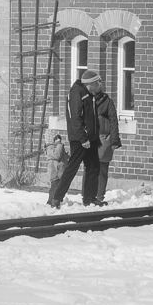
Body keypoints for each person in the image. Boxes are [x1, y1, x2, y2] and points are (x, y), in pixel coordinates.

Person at [47, 69, 103, 208]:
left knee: (93, 167)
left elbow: (92, 118)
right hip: (80, 138)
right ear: (90, 84)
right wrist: (83, 138)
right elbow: (75, 118)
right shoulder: (77, 93)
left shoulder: (89, 94)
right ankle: (57, 198)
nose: (100, 85)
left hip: (91, 138)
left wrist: (95, 137)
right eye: (98, 82)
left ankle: (89, 198)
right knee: (72, 168)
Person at [94, 84, 122, 204]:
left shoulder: (107, 102)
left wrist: (114, 141)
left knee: (102, 169)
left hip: (103, 139)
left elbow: (113, 121)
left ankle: (99, 196)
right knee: (93, 170)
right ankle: (91, 196)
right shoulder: (88, 100)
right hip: (94, 138)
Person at [44, 133, 68, 204]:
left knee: (59, 187)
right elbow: (57, 155)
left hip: (59, 171)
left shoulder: (57, 147)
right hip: (55, 172)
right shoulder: (50, 148)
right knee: (54, 187)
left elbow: (61, 156)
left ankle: (56, 200)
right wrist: (59, 145)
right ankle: (50, 201)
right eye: (56, 139)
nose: (58, 141)